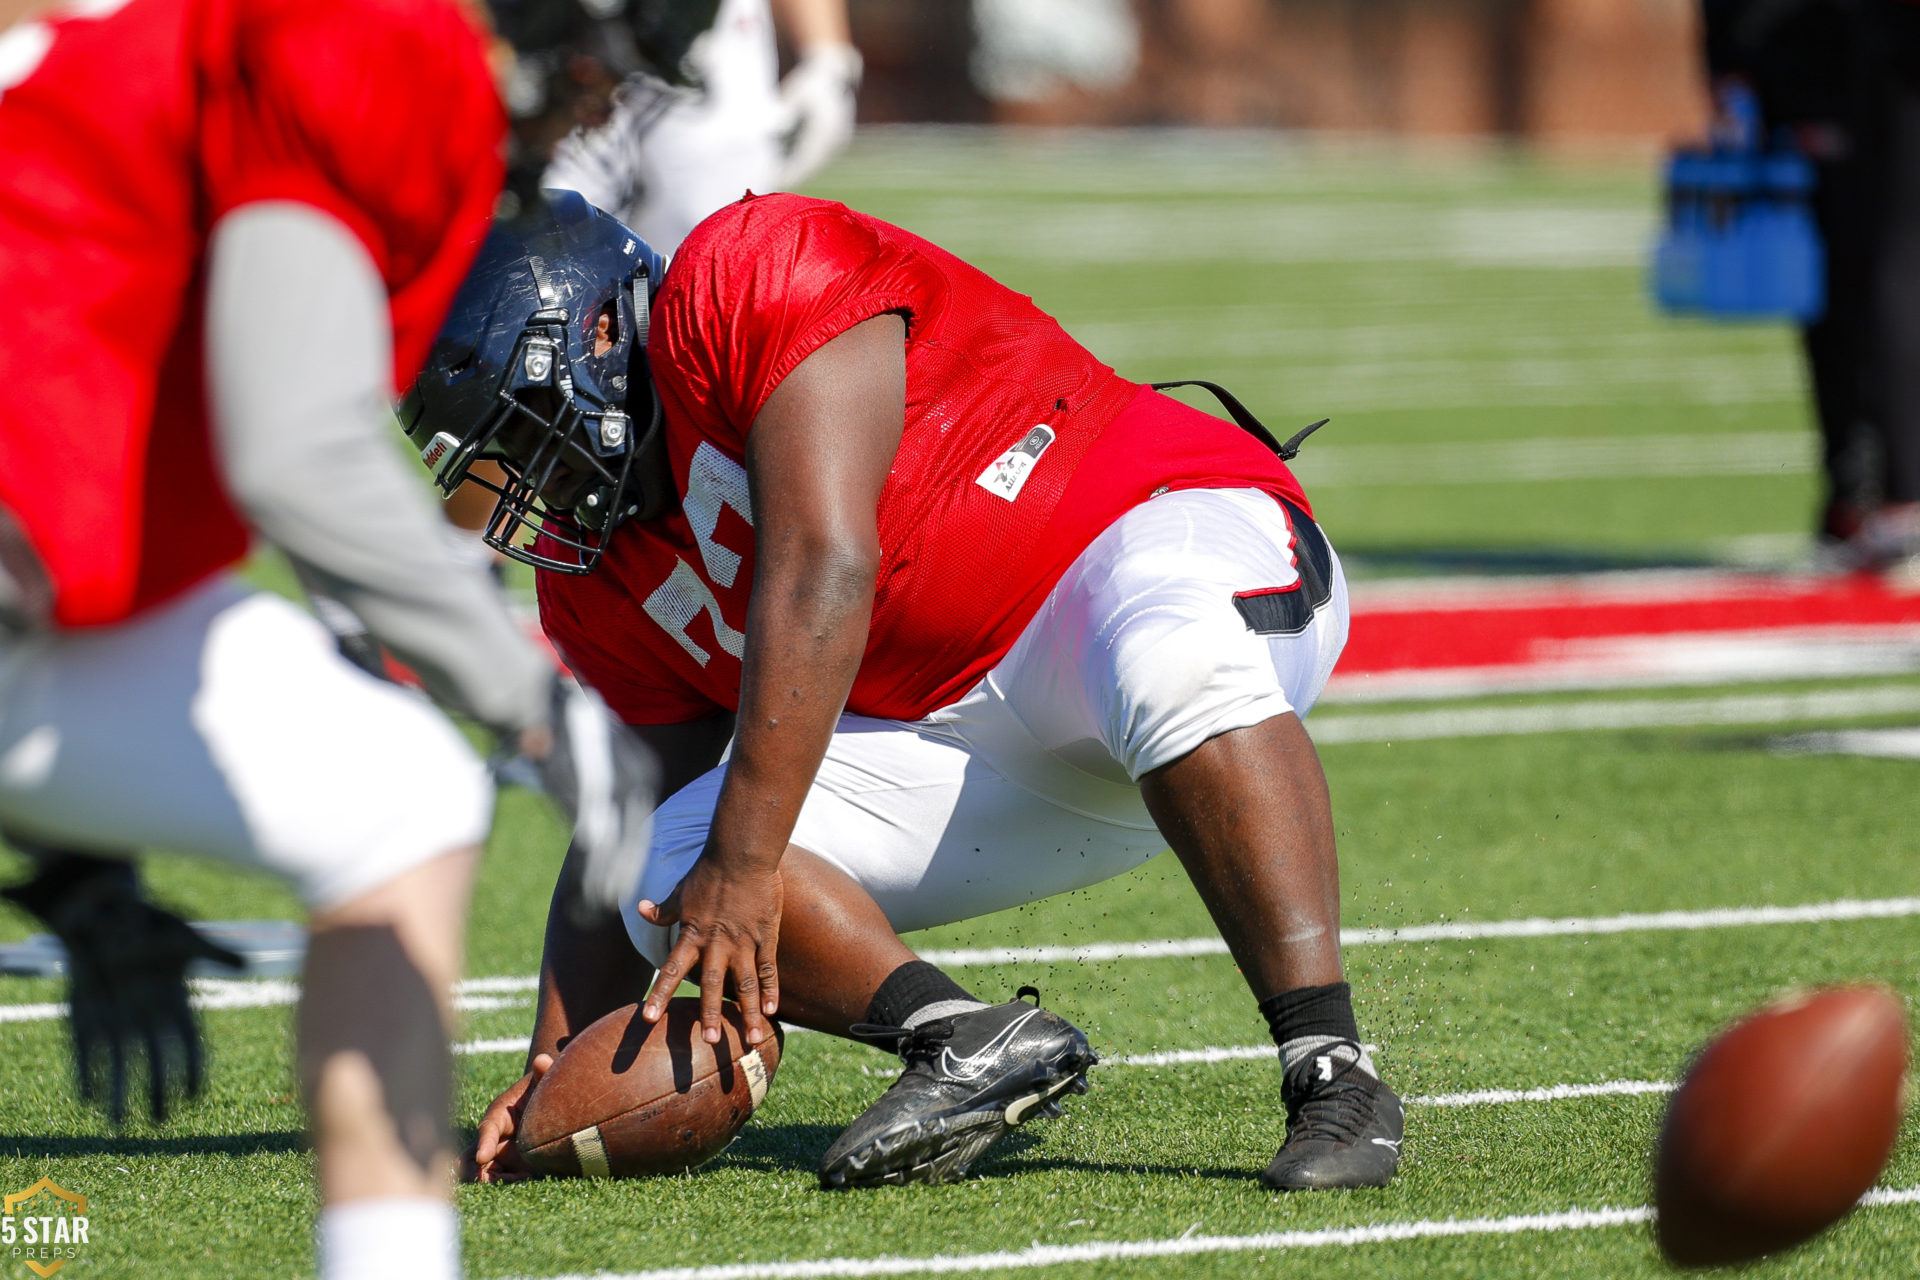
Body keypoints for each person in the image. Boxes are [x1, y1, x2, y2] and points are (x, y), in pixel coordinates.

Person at [415, 190, 1401, 1192]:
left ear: (591, 333)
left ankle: (1334, 1073)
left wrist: (748, 860)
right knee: (667, 863)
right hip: (967, 734)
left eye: (525, 423)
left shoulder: (745, 271)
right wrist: (551, 1066)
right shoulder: (602, 578)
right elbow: (624, 820)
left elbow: (828, 561)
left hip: (1145, 542)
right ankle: (963, 1039)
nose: (525, 471)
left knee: (1165, 655)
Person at [0, 2, 658, 1278]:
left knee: (398, 793)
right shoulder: (381, 51)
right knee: (403, 794)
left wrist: (76, 864)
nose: (603, 107)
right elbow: (296, 450)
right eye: (610, 65)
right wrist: (534, 697)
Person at [1701, 0, 1920, 569]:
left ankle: (1888, 497)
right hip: (1821, 60)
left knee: (1877, 268)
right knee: (1852, 274)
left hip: (1850, 51)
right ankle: (1862, 492)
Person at [543, 0, 861, 252]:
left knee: (709, 250)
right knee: (544, 243)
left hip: (706, 36)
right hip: (561, 34)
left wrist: (826, 54)